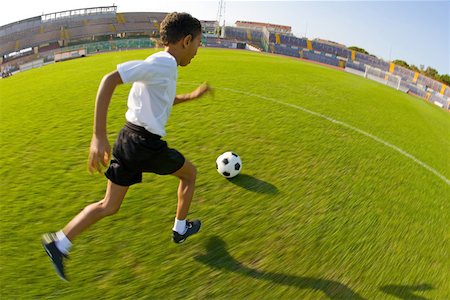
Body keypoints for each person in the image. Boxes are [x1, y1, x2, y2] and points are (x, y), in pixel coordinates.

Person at [42, 12, 211, 281]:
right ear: (186, 40)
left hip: (128, 139)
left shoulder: (162, 66)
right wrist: (97, 135)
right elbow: (109, 80)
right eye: (198, 44)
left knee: (109, 205)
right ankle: (180, 229)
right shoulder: (164, 63)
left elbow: (162, 100)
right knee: (190, 175)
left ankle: (59, 242)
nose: (197, 52)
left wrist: (190, 96)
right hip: (145, 144)